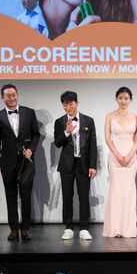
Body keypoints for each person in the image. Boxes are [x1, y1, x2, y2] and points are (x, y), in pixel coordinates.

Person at [0, 83, 41, 241]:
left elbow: (36, 135)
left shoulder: (29, 112)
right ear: (2, 98)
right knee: (10, 196)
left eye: (13, 95)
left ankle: (25, 228)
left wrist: (31, 149)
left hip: (26, 162)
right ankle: (13, 229)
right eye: (8, 95)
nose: (11, 98)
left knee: (26, 197)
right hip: (7, 163)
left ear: (17, 95)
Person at [54, 91, 97, 240]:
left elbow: (92, 145)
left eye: (71, 103)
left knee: (84, 197)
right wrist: (66, 132)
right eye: (65, 104)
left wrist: (93, 165)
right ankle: (68, 227)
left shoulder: (88, 121)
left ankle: (84, 228)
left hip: (83, 164)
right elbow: (58, 143)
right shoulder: (59, 122)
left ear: (77, 103)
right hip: (66, 164)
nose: (68, 107)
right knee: (67, 197)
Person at [102, 86, 137, 238]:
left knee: (129, 192)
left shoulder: (136, 117)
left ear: (130, 99)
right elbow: (108, 138)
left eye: (126, 98)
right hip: (115, 157)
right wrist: (117, 155)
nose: (123, 101)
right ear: (116, 99)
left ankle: (128, 228)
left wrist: (130, 155)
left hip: (131, 158)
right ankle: (115, 229)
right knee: (116, 192)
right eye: (120, 98)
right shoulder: (109, 116)